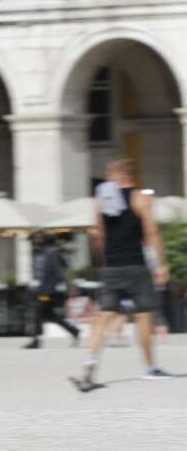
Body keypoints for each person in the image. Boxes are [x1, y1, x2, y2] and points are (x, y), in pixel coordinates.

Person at [72, 159, 171, 391]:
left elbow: (98, 236)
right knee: (144, 316)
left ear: (114, 175)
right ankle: (150, 368)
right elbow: (151, 232)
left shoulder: (102, 201)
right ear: (131, 175)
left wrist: (103, 262)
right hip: (136, 266)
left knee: (105, 315)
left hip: (112, 268)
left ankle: (91, 363)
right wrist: (161, 265)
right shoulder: (141, 198)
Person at [24, 231, 79, 349]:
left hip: (48, 290)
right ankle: (74, 331)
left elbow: (59, 271)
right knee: (50, 315)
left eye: (38, 238)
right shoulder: (35, 252)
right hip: (40, 289)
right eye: (34, 238)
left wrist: (68, 285)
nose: (35, 241)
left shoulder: (51, 252)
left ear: (44, 239)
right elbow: (37, 272)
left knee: (37, 311)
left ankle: (35, 340)